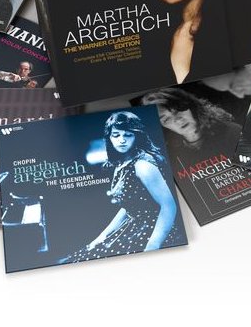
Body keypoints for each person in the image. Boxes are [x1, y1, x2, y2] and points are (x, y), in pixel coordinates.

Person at [62, 111, 180, 262]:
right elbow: (129, 206)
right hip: (133, 226)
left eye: (128, 135)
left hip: (152, 229)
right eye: (116, 135)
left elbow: (168, 206)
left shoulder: (142, 165)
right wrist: (102, 236)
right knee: (81, 256)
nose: (122, 140)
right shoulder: (122, 163)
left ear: (137, 136)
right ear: (109, 138)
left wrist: (153, 244)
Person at [137, 87, 241, 157]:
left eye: (177, 110)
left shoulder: (232, 132)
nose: (178, 120)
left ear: (190, 106)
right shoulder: (169, 156)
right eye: (166, 119)